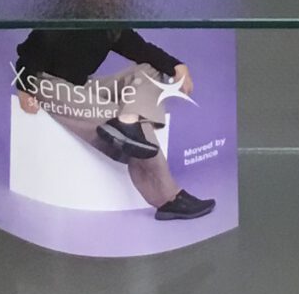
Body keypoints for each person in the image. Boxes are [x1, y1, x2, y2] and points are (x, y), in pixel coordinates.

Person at [14, 23, 215, 220]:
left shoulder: (110, 25)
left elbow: (142, 49)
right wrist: (24, 88)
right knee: (119, 120)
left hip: (82, 87)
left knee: (151, 71)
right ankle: (168, 197)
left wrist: (177, 65)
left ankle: (128, 122)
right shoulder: (66, 15)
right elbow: (30, 51)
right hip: (48, 85)